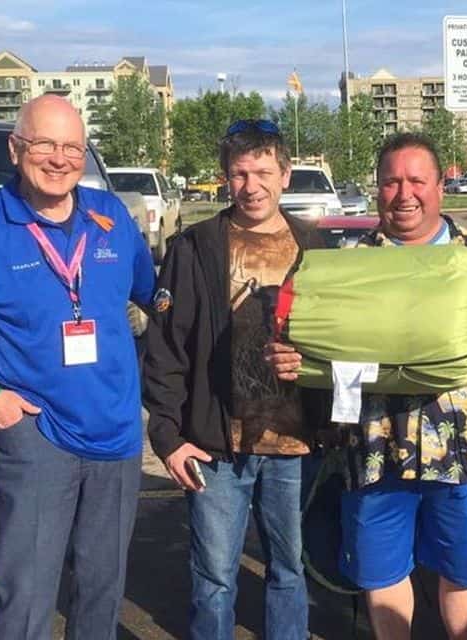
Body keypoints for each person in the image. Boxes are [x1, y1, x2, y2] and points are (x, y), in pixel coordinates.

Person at [0, 94, 156, 639]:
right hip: (36, 433)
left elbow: (157, 298)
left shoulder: (110, 217)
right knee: (25, 596)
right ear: (16, 149)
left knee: (102, 589)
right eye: (44, 144)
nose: (59, 158)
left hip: (117, 432)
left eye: (72, 147)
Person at [268, 132, 467, 640]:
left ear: (441, 186)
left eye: (417, 180)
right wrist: (291, 358)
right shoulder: (349, 265)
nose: (404, 193)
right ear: (377, 189)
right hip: (375, 453)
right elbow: (311, 345)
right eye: (391, 182)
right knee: (382, 576)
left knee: (465, 575)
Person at [143, 119, 327, 639]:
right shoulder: (195, 247)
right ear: (227, 177)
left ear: (286, 175)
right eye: (241, 173)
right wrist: (168, 437)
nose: (252, 186)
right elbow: (163, 350)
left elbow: (341, 346)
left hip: (295, 444)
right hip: (214, 446)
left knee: (290, 573)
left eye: (264, 172)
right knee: (214, 579)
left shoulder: (317, 247)